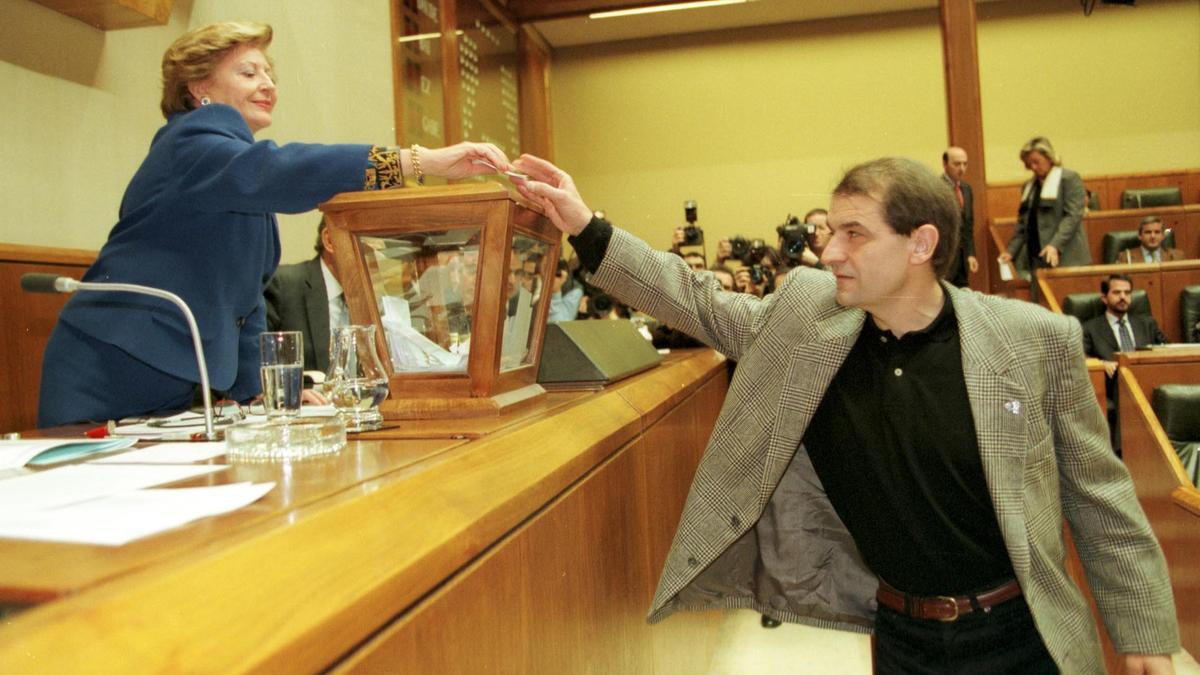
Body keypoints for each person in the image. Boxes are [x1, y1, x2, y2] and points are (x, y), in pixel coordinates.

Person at [512, 153, 1178, 674]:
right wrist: (584, 226)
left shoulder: (1035, 340)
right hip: (900, 635)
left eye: (855, 234)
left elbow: (1099, 496)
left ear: (921, 244)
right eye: (831, 232)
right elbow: (696, 299)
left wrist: (1144, 628)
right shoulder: (808, 316)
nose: (830, 252)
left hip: (1020, 631)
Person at [37, 21, 509, 427]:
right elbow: (283, 168)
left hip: (176, 385)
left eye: (270, 73)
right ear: (199, 88)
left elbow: (246, 305)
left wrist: (260, 392)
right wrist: (416, 161)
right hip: (109, 375)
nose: (268, 84)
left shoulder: (234, 171)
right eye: (248, 72)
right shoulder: (191, 146)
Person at [1081, 273, 1169, 455]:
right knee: (1125, 383)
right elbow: (1078, 356)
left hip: (1150, 378)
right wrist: (1100, 363)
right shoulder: (1090, 328)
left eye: (1127, 293)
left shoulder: (1147, 324)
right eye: (1117, 292)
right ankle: (1125, 452)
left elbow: (1165, 350)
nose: (1123, 297)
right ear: (1104, 298)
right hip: (1114, 382)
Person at [1000, 137, 1090, 291]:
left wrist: (1055, 245)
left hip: (1066, 255)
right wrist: (1011, 251)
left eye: (1036, 161)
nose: (1033, 167)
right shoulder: (1029, 186)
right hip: (1037, 256)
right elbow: (1023, 223)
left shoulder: (1069, 179)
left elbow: (1073, 216)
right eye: (1029, 164)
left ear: (1049, 157)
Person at [264, 217, 345, 373]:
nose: (375, 249)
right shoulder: (281, 285)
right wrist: (295, 390)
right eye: (363, 237)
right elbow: (257, 367)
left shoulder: (375, 299)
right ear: (329, 240)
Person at [941, 146, 977, 287]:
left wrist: (971, 254)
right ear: (945, 164)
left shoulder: (966, 189)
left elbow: (968, 225)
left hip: (963, 259)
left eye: (965, 164)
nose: (961, 168)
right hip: (946, 260)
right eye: (957, 164)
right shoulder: (937, 188)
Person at [1118, 215, 1185, 264]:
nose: (1153, 236)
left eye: (1157, 232)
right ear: (1139, 235)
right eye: (1148, 232)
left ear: (1163, 236)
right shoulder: (1125, 257)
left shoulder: (1177, 256)